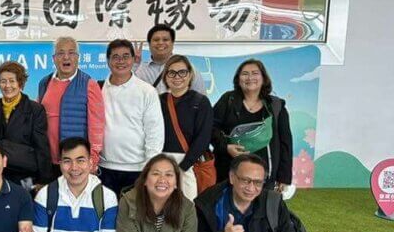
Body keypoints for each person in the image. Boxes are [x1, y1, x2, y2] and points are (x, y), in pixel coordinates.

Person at [211, 59, 293, 192]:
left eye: (255, 73)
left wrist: (284, 177)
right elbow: (210, 128)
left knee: (262, 210)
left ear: (263, 78)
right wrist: (225, 146)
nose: (250, 78)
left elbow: (285, 142)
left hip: (265, 175)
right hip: (229, 172)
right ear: (238, 79)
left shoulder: (276, 105)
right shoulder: (228, 100)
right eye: (245, 74)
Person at [99, 39, 164, 196]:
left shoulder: (146, 91)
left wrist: (151, 169)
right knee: (107, 218)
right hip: (104, 168)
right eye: (115, 57)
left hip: (137, 169)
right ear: (108, 61)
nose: (121, 61)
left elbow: (154, 132)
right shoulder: (98, 89)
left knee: (134, 218)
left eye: (126, 56)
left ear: (134, 59)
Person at [38, 37, 104, 175]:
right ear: (54, 58)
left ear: (78, 57)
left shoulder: (89, 84)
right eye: (60, 53)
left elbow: (97, 125)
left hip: (75, 163)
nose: (66, 57)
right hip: (48, 160)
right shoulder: (44, 82)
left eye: (71, 53)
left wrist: (92, 160)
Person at [0, 61, 52, 189]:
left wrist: (44, 180)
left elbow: (41, 147)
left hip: (25, 177)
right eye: (3, 81)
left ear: (20, 83)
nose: (7, 85)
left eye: (12, 81)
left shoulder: (35, 110)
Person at [159, 54, 213, 200]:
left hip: (189, 165)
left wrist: (183, 166)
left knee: (188, 211)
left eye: (182, 72)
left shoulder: (201, 102)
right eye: (172, 72)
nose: (177, 77)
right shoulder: (158, 101)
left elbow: (203, 138)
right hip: (162, 164)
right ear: (166, 76)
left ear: (190, 75)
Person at [135, 24, 206, 95]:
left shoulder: (188, 68)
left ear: (172, 43)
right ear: (149, 44)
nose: (160, 43)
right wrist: (133, 66)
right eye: (156, 40)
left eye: (165, 40)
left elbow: (201, 99)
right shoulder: (139, 70)